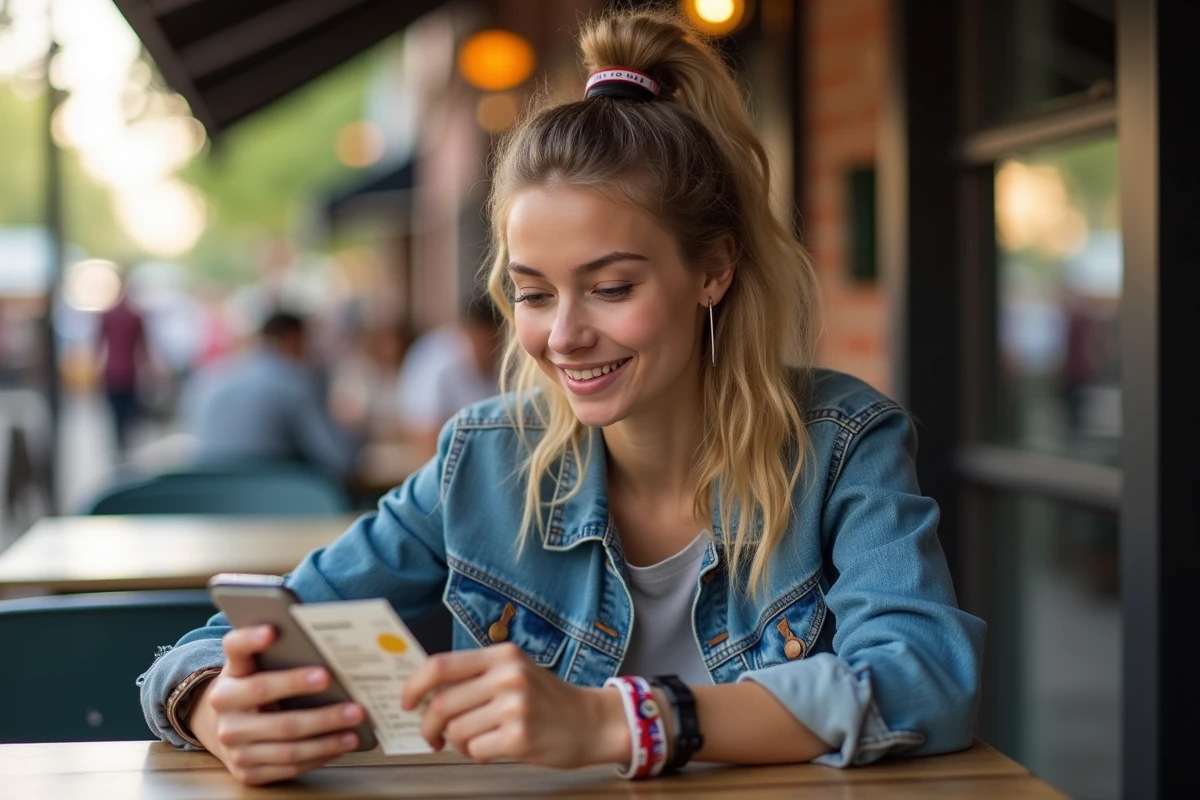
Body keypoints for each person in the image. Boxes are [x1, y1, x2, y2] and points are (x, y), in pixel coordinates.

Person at [138, 10, 984, 787]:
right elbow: (225, 641)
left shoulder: (843, 445)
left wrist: (620, 721)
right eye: (534, 293)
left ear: (714, 269)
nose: (563, 335)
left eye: (611, 287)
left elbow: (925, 680)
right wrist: (214, 706)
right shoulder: (485, 459)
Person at [180, 311, 358, 480]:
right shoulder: (295, 382)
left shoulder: (210, 377)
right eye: (308, 342)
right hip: (274, 501)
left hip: (209, 498)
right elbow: (340, 459)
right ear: (292, 339)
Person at [394, 300, 500, 459]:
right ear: (470, 332)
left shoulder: (500, 357)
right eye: (489, 340)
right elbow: (425, 431)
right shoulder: (439, 360)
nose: (492, 348)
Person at [95, 280, 149, 457]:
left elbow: (97, 343)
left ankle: (118, 447)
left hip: (112, 371)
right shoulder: (136, 315)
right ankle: (125, 447)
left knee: (115, 414)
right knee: (129, 414)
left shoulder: (108, 314)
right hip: (130, 373)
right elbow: (144, 348)